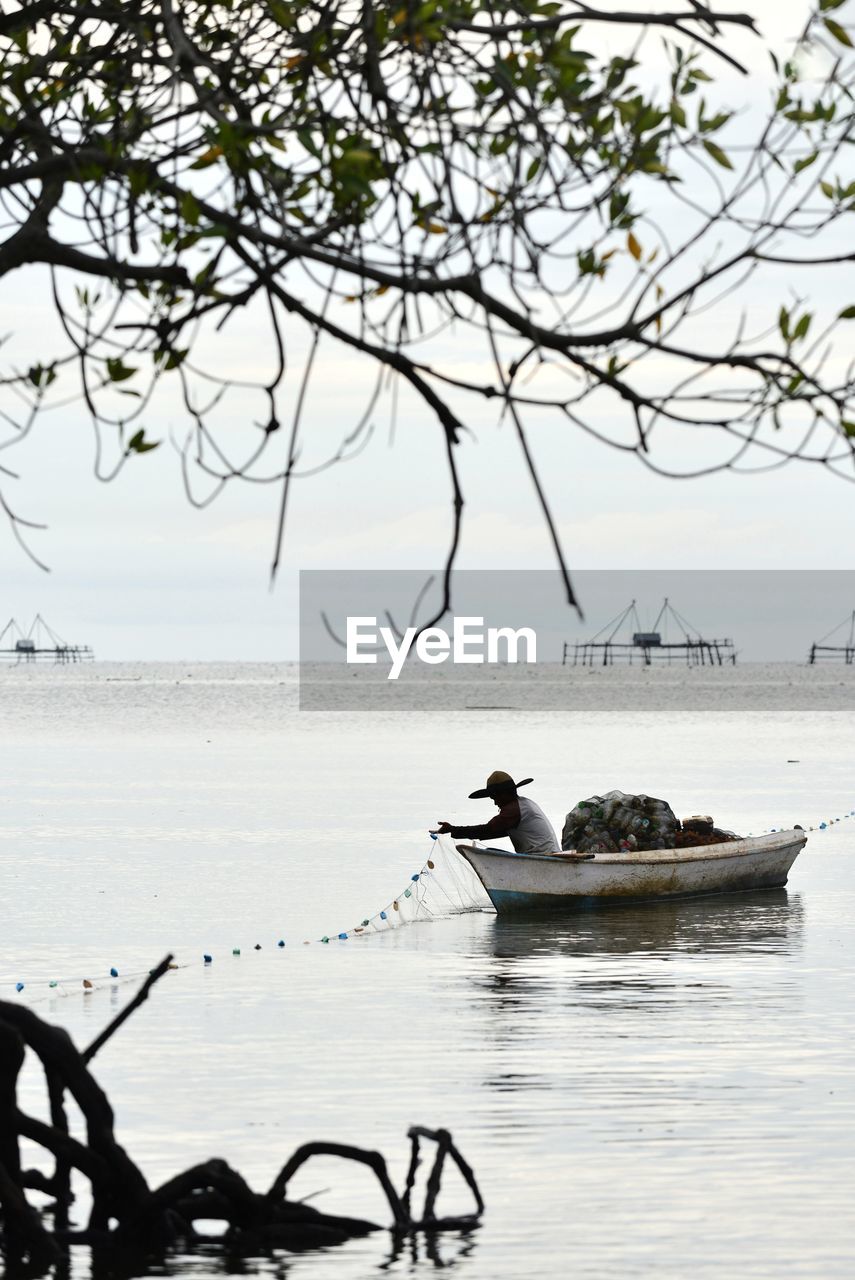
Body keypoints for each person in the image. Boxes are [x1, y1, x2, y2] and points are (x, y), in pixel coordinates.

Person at [433, 771, 559, 854]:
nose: (495, 803)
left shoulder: (513, 810)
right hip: (546, 855)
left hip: (542, 857)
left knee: (489, 853)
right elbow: (492, 832)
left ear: (504, 794)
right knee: (491, 850)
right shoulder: (524, 804)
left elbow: (488, 830)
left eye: (495, 798)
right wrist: (454, 831)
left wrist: (453, 829)